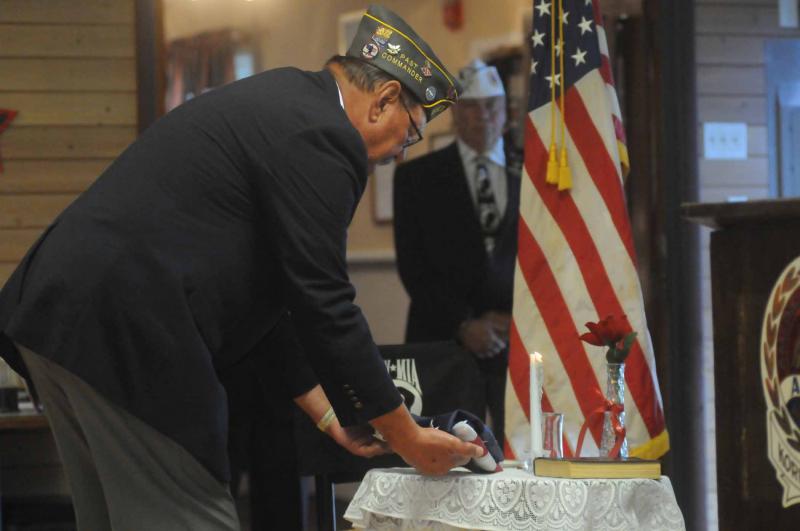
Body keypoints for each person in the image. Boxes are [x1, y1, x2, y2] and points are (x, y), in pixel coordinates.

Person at [0, 6, 482, 530]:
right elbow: (325, 302)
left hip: (61, 313)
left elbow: (278, 297)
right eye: (409, 133)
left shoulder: (290, 101)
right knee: (193, 515)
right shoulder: (325, 136)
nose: (398, 156)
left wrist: (330, 416)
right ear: (384, 99)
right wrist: (406, 437)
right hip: (126, 330)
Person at [393, 59, 521, 449]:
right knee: (446, 455)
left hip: (516, 343)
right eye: (471, 107)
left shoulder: (535, 170)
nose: (483, 116)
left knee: (518, 453)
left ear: (506, 113)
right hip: (444, 342)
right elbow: (414, 268)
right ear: (454, 115)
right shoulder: (417, 178)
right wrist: (465, 325)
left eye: (492, 106)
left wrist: (513, 321)